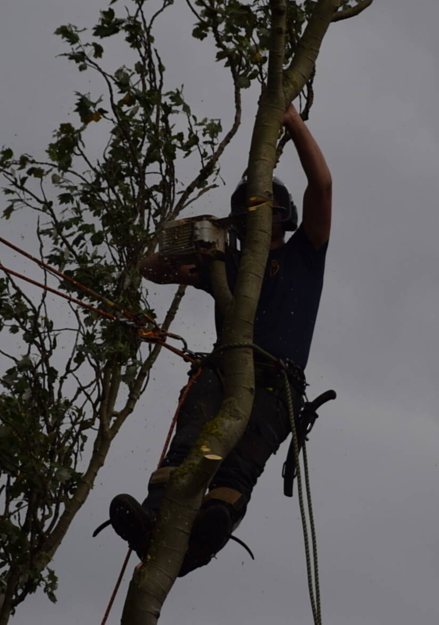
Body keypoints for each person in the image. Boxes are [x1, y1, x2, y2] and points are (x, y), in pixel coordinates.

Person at [109, 103, 331, 576]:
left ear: (281, 216)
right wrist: (200, 237)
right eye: (249, 213)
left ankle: (215, 523)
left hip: (275, 380)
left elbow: (323, 187)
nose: (258, 218)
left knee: (238, 461)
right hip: (222, 373)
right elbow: (151, 269)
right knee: (191, 448)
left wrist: (293, 123)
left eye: (264, 209)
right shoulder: (223, 267)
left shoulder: (305, 253)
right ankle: (155, 517)